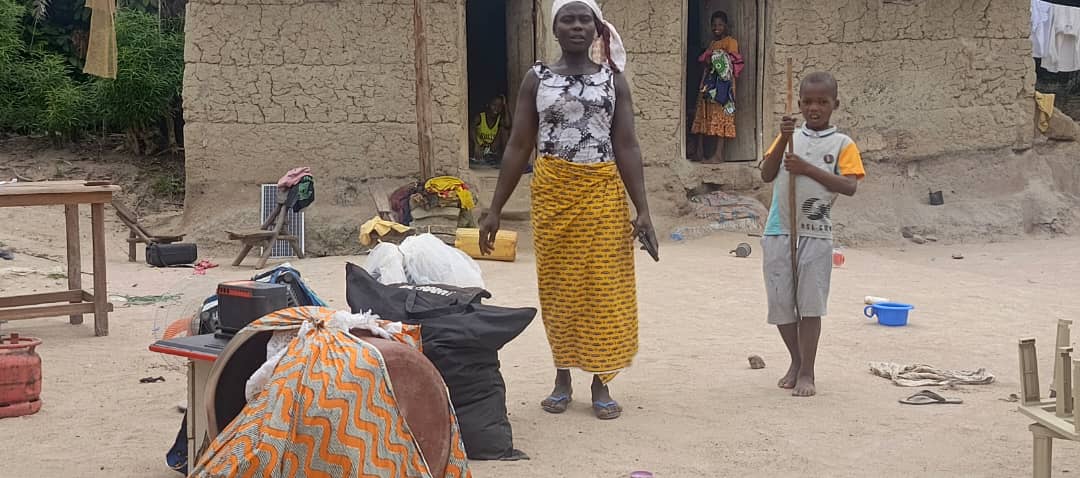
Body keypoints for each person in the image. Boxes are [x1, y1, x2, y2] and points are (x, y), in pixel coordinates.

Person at [478, 0, 656, 420]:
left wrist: (643, 209)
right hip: (554, 195)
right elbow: (519, 144)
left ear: (598, 29)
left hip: (602, 195)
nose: (576, 26)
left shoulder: (614, 81)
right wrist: (495, 209)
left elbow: (626, 145)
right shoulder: (536, 79)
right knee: (560, 289)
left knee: (604, 289)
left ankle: (600, 380)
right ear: (554, 29)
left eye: (584, 20)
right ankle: (562, 376)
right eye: (567, 20)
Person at [759, 71, 865, 397]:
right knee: (780, 303)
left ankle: (807, 371)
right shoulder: (789, 136)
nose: (814, 108)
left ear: (835, 103)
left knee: (810, 305)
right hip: (779, 228)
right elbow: (766, 173)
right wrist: (782, 138)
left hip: (815, 232)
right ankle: (795, 359)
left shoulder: (842, 144)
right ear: (800, 104)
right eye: (807, 102)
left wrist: (807, 168)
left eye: (822, 102)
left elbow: (849, 186)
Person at [691, 11, 738, 164]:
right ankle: (700, 152)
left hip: (723, 85)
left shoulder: (731, 42)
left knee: (722, 116)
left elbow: (730, 64)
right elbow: (707, 63)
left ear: (726, 26)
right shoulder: (712, 44)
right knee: (703, 113)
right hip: (709, 84)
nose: (716, 28)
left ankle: (718, 154)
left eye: (720, 25)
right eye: (714, 25)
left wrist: (731, 87)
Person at [470, 95, 512, 167]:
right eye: (494, 105)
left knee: (504, 130)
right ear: (488, 105)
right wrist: (476, 144)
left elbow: (508, 125)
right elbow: (471, 129)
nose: (496, 108)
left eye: (500, 106)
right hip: (480, 146)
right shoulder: (480, 117)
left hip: (492, 148)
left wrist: (505, 105)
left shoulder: (499, 119)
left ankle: (505, 160)